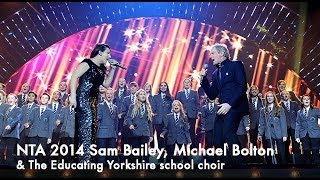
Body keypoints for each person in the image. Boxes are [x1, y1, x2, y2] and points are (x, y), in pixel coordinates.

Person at [200, 43, 249, 166]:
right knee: (217, 139)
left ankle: (240, 166)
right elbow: (212, 94)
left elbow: (242, 86)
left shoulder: (235, 65)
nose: (210, 56)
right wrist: (204, 80)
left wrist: (230, 104)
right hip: (223, 108)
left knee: (228, 133)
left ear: (222, 53)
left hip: (235, 106)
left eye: (212, 53)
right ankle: (226, 165)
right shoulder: (216, 73)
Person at [69, 43, 117, 163]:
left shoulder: (102, 68)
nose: (109, 56)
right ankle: (84, 159)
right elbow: (74, 77)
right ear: (100, 52)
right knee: (86, 126)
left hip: (94, 100)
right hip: (83, 98)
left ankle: (88, 158)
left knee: (92, 127)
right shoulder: (87, 63)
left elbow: (106, 84)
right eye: (107, 53)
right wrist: (73, 96)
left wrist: (113, 69)